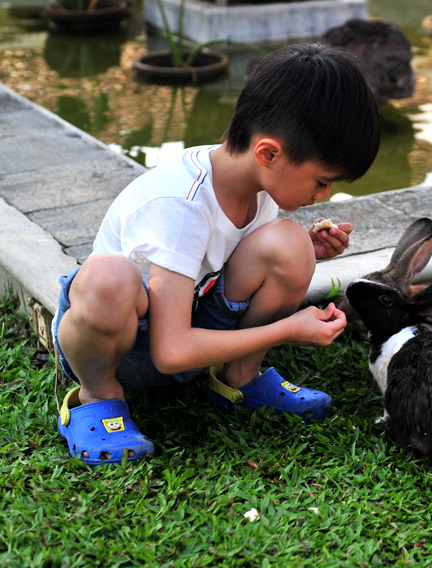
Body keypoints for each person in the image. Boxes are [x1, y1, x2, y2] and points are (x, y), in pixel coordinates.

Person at [52, 43, 381, 465]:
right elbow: (169, 354)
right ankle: (97, 397)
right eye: (321, 181)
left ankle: (237, 379)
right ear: (268, 152)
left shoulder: (256, 184)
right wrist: (286, 329)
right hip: (122, 348)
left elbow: (230, 262)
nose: (324, 195)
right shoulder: (181, 205)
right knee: (108, 277)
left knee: (290, 242)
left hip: (188, 324)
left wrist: (306, 251)